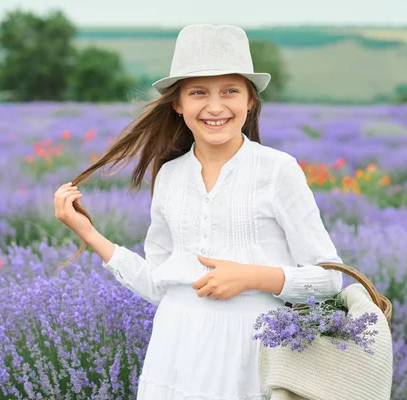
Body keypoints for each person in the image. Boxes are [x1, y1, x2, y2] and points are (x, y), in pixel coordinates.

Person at [54, 24, 343, 400]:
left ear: (250, 100)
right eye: (198, 93)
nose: (215, 106)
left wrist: (253, 277)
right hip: (174, 347)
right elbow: (159, 285)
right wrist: (88, 233)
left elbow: (330, 280)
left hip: (252, 351)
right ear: (178, 104)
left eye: (230, 91)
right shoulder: (171, 176)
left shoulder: (278, 170)